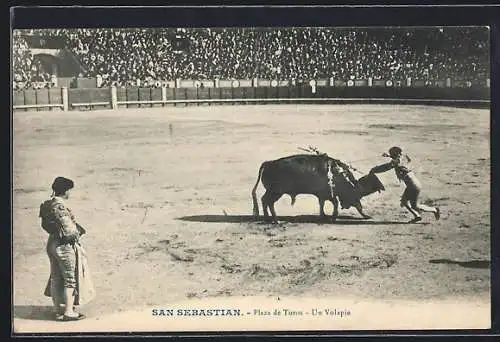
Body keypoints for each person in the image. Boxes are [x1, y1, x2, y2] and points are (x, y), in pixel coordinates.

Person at [39, 177, 95, 321]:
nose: (70, 193)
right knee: (70, 279)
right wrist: (79, 231)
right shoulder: (60, 206)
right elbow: (69, 232)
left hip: (52, 243)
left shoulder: (49, 204)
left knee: (56, 277)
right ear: (66, 191)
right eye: (70, 190)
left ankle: (59, 309)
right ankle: (69, 311)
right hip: (64, 246)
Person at [369, 146, 441, 223]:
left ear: (396, 154)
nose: (392, 156)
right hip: (413, 184)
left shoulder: (396, 161)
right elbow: (401, 159)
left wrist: (374, 170)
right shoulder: (403, 157)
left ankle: (434, 210)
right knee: (405, 202)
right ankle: (417, 216)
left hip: (413, 186)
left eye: (392, 154)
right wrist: (389, 156)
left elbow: (386, 167)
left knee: (414, 205)